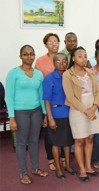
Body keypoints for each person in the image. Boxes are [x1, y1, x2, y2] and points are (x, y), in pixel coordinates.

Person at [6, 45, 48, 184]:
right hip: (20, 112)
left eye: (31, 54)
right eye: (25, 54)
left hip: (36, 111)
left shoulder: (38, 73)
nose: (29, 57)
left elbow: (41, 95)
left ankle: (35, 168)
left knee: (34, 141)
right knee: (22, 143)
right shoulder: (14, 73)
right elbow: (9, 97)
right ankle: (23, 173)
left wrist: (45, 113)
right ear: (20, 56)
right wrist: (12, 117)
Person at [63, 47, 99, 182]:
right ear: (73, 58)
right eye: (80, 56)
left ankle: (88, 166)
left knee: (90, 138)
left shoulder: (89, 72)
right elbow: (71, 97)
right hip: (78, 110)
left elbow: (97, 91)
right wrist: (87, 111)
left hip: (92, 107)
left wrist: (94, 107)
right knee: (80, 140)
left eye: (85, 56)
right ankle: (82, 170)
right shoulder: (67, 74)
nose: (84, 58)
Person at [43, 53, 77, 179]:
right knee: (56, 143)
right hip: (56, 115)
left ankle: (67, 165)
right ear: (53, 62)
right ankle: (58, 168)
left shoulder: (70, 76)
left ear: (68, 62)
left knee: (68, 142)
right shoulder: (49, 78)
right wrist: (50, 118)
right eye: (58, 61)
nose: (62, 63)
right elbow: (46, 100)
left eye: (64, 61)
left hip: (70, 114)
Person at [35, 32, 66, 172]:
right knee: (50, 133)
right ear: (45, 45)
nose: (54, 44)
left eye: (56, 41)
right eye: (50, 42)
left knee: (64, 131)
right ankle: (51, 159)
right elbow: (40, 85)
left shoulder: (64, 57)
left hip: (63, 101)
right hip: (48, 101)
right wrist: (45, 112)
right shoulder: (40, 61)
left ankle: (63, 158)